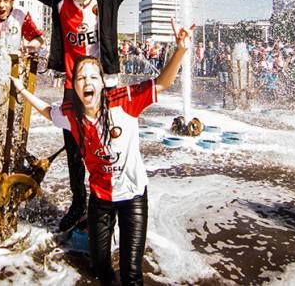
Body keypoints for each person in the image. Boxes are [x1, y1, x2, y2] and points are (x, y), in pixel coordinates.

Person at [0, 0, 190, 232]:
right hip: (74, 86)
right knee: (74, 148)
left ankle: (115, 199)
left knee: (111, 143)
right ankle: (78, 203)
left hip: (106, 84)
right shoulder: (60, 2)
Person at [12, 19, 195, 285]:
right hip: (100, 199)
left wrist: (180, 50)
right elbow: (47, 111)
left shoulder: (124, 101)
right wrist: (21, 90)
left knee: (131, 274)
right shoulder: (71, 115)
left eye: (92, 77)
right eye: (81, 77)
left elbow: (162, 84)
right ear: (74, 85)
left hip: (133, 197)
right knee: (99, 268)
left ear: (101, 83)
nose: (87, 81)